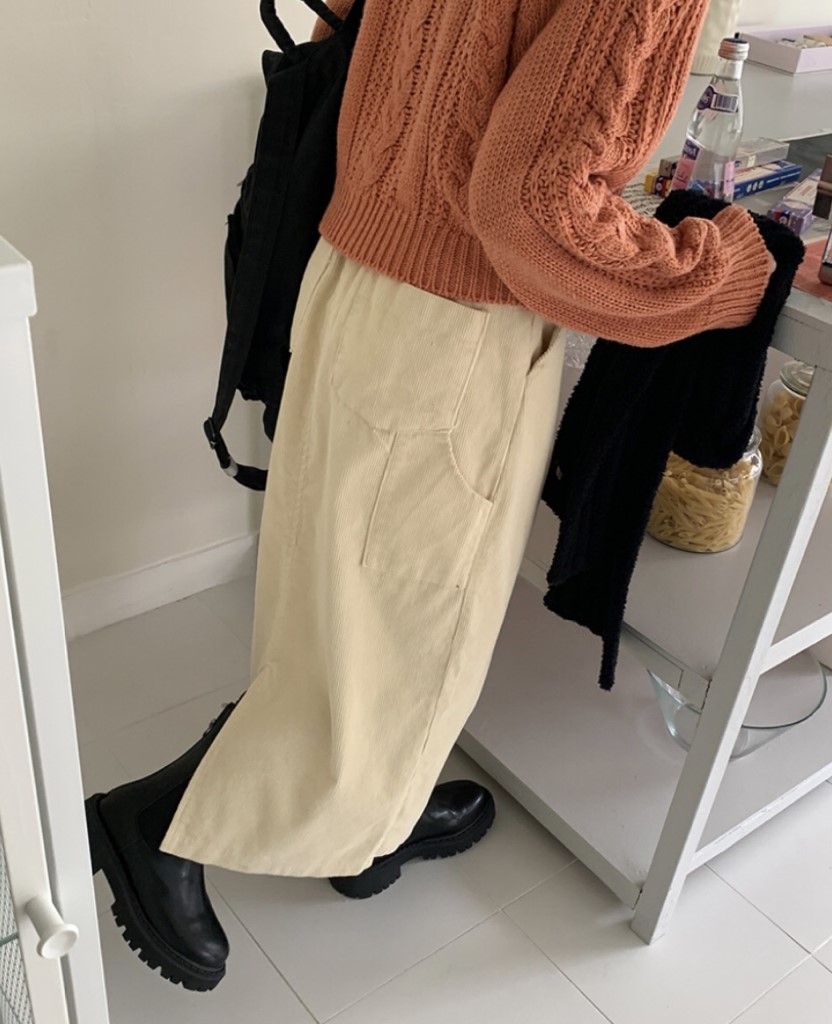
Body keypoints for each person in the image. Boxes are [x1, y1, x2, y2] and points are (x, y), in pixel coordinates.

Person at [86, 0, 776, 992]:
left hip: (357, 274)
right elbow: (532, 210)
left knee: (344, 609)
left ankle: (372, 824)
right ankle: (157, 823)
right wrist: (713, 273)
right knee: (397, 632)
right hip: (451, 328)